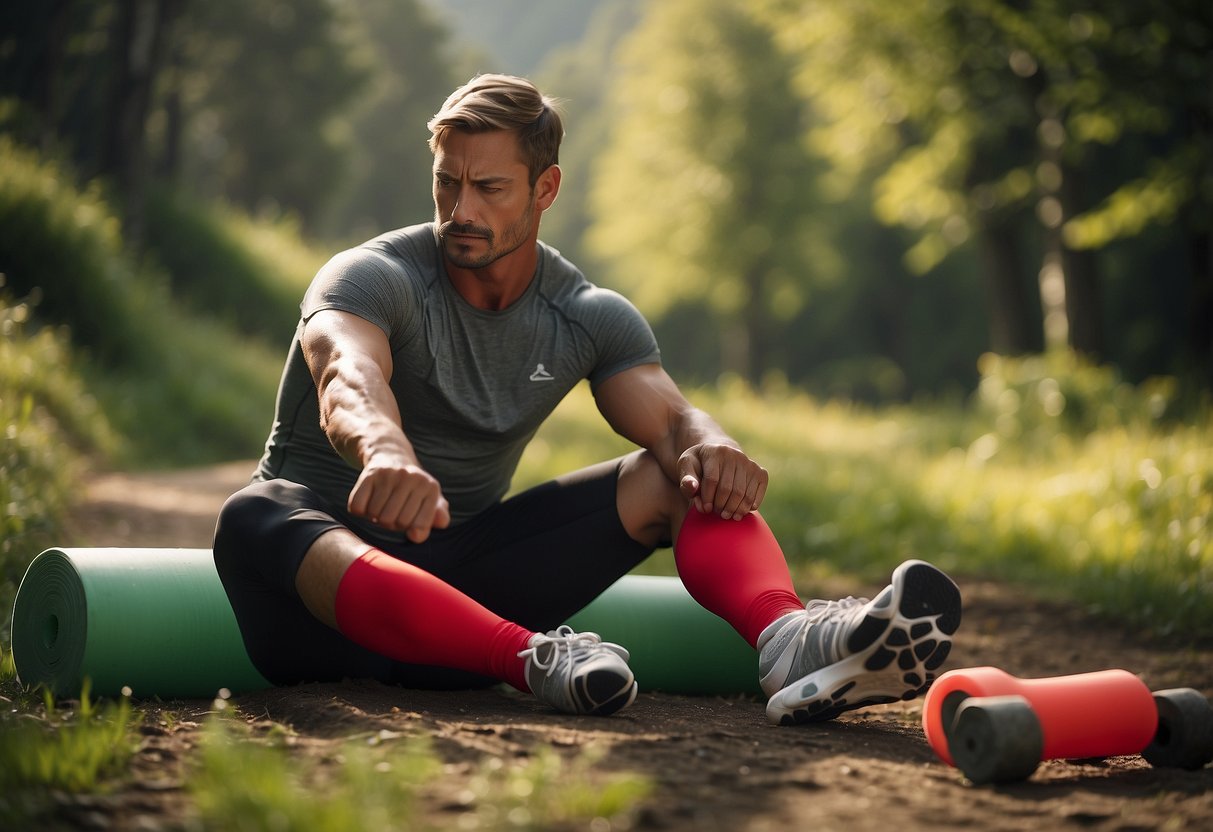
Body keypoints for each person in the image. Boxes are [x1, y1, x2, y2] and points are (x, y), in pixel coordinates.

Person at [213, 74, 962, 724]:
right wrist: (383, 450)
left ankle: (788, 641)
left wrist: (714, 445)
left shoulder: (585, 313)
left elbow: (672, 420)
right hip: (312, 605)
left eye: (488, 187)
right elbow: (348, 375)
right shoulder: (373, 276)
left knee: (679, 470)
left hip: (458, 609)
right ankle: (536, 659)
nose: (459, 208)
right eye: (446, 182)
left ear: (545, 188)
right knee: (252, 511)